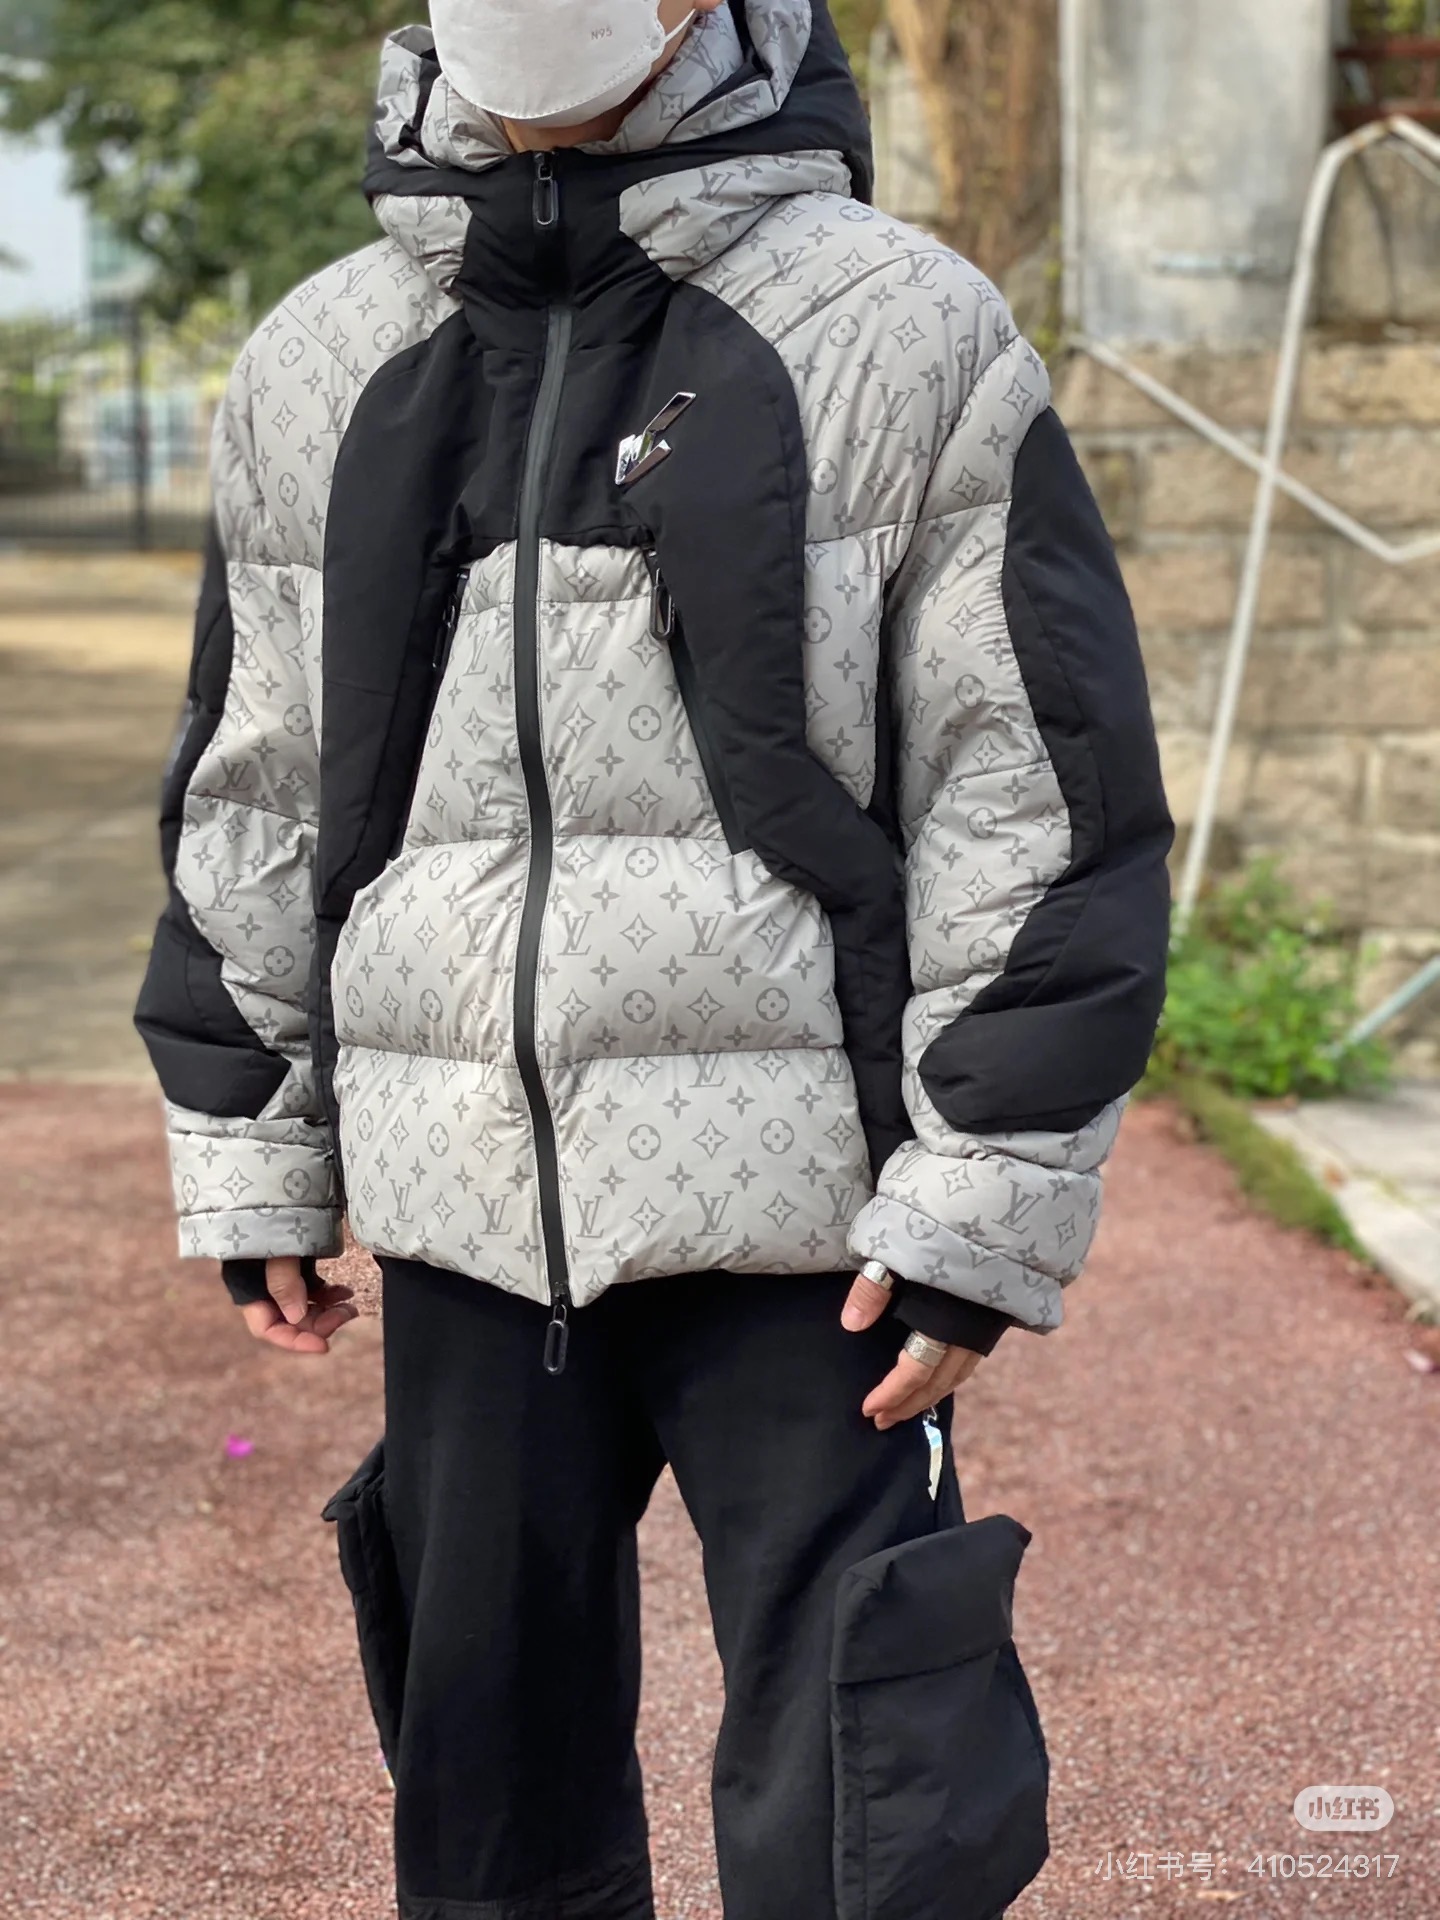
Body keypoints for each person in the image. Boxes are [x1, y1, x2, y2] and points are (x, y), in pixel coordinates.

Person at [134, 0, 1172, 1914]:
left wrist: (985, 1197)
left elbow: (1032, 786)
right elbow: (255, 779)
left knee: (863, 1828)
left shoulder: (900, 325)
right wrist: (253, 1133)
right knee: (488, 1820)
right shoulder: (321, 354)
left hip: (818, 1226)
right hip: (458, 1202)